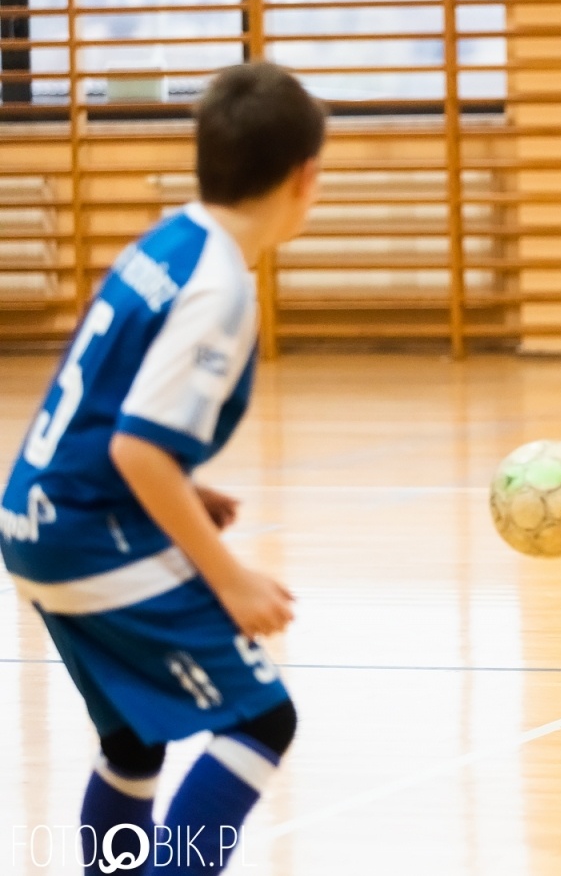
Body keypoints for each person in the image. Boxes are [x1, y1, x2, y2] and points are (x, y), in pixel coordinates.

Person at [1, 62, 322, 874]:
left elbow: (108, 403)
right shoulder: (220, 287)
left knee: (134, 738)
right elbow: (136, 448)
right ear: (304, 179)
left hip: (32, 515)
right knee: (260, 720)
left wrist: (183, 485)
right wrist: (231, 579)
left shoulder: (169, 241)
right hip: (84, 532)